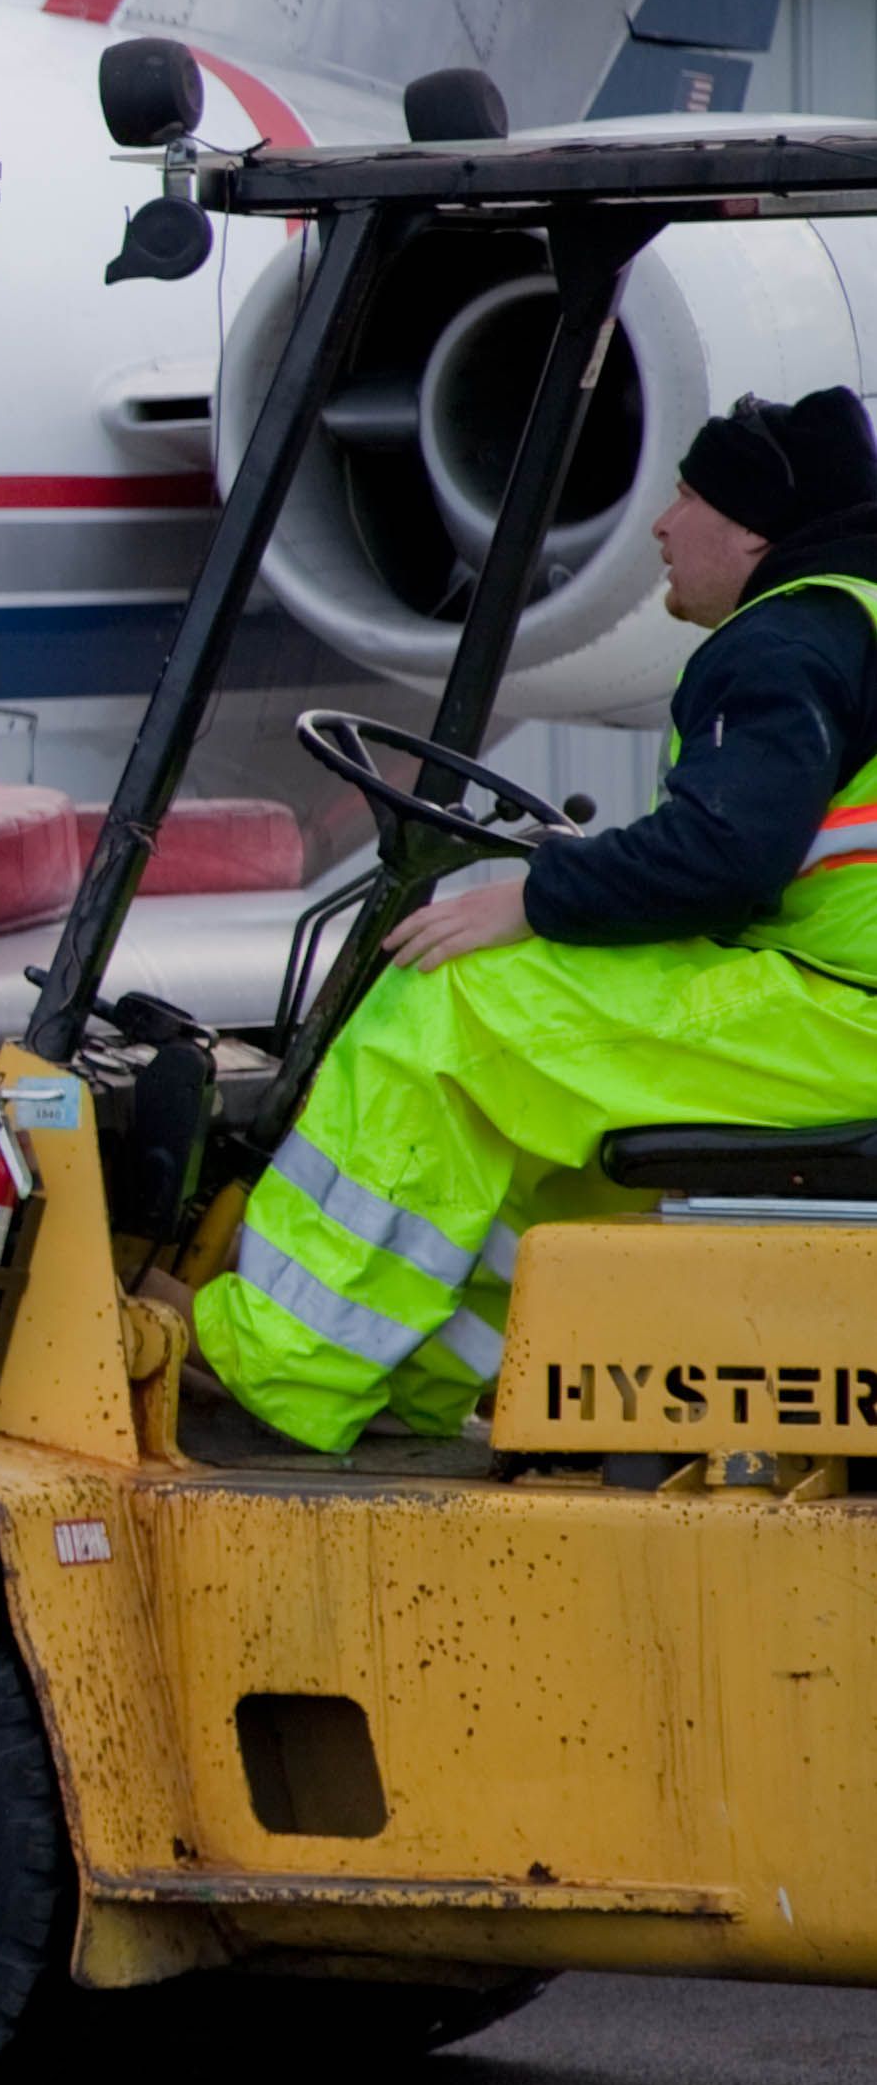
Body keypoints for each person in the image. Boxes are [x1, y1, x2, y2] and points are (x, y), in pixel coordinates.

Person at [190, 385, 877, 1449]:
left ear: (749, 528)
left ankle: (278, 1364)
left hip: (839, 1018)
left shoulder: (785, 640)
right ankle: (413, 1382)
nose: (658, 522)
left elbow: (727, 854)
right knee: (536, 1107)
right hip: (836, 999)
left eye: (686, 494)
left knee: (444, 1011)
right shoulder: (852, 624)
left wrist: (532, 897)